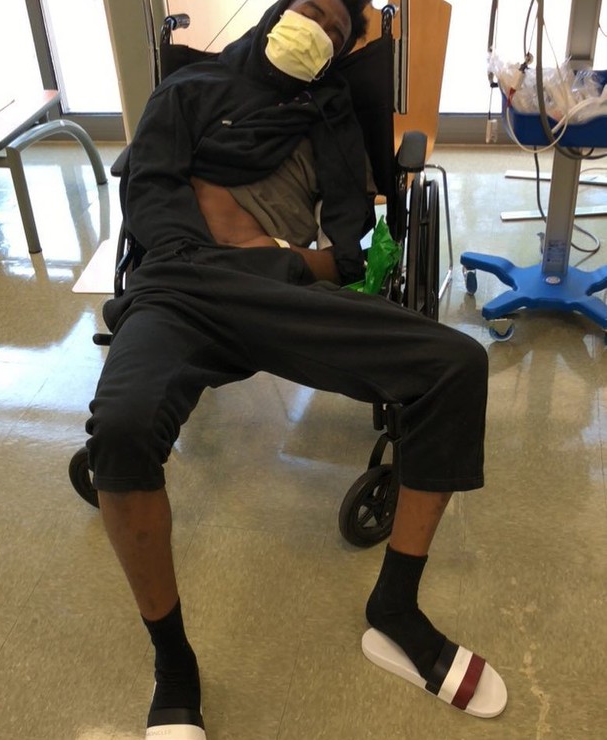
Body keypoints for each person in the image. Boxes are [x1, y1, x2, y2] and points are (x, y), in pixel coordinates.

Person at [86, 1, 507, 737]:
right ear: (278, 11)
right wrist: (202, 248)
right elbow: (148, 185)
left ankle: (395, 610)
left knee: (458, 364)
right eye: (311, 9)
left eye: (337, 32)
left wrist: (281, 260)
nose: (319, 29)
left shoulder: (329, 116)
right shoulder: (186, 91)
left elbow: (348, 248)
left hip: (280, 291)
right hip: (178, 286)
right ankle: (174, 665)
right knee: (119, 431)